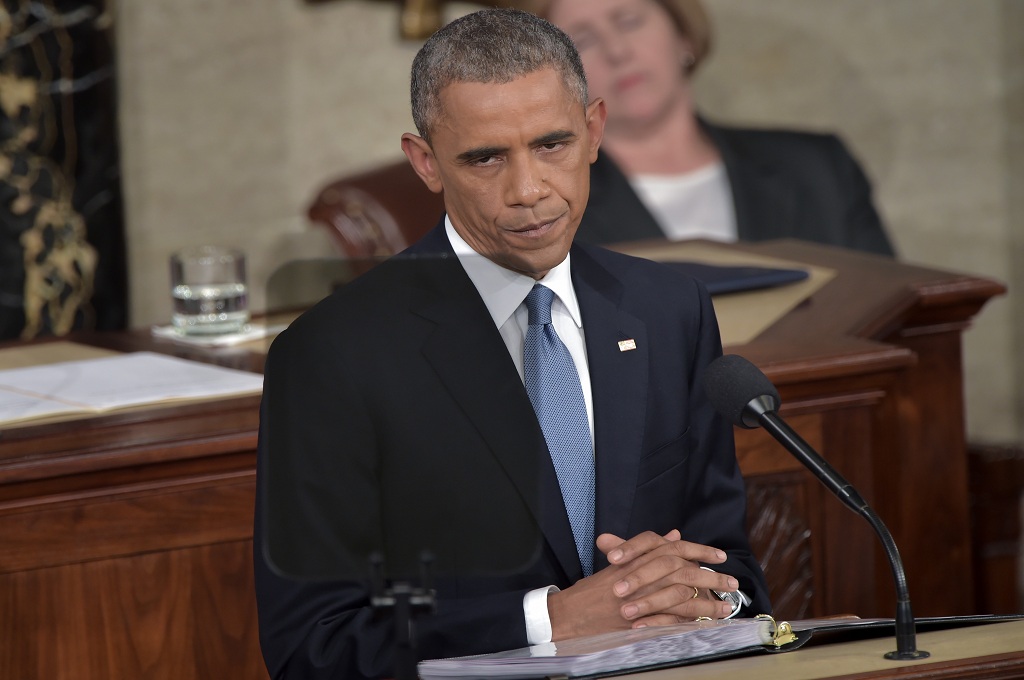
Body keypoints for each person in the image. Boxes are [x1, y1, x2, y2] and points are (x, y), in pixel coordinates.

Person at [254, 8, 768, 679]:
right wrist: (548, 622)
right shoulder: (332, 355)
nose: (528, 191)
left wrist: (706, 600)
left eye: (552, 145)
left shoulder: (669, 310)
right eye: (486, 158)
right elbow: (311, 648)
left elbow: (732, 569)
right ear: (426, 163)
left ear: (594, 131)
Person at [531, 0, 896, 256]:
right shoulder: (544, 205)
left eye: (629, 21)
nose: (617, 51)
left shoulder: (818, 168)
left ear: (683, 35)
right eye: (582, 41)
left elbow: (896, 313)